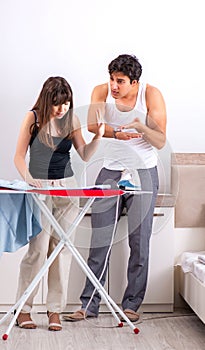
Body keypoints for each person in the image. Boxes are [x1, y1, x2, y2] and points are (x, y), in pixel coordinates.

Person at [63, 54, 167, 323]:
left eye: (120, 81)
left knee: (139, 241)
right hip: (110, 170)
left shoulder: (151, 95)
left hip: (143, 171)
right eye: (112, 79)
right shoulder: (101, 91)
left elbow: (160, 140)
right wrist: (118, 133)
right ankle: (88, 304)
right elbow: (91, 127)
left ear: (135, 82)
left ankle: (131, 304)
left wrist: (142, 127)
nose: (114, 85)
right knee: (100, 241)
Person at [14, 76, 104, 331]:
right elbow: (18, 157)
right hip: (39, 188)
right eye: (57, 104)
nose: (62, 108)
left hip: (66, 189)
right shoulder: (32, 118)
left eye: (66, 103)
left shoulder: (71, 120)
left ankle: (55, 310)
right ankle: (24, 309)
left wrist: (97, 137)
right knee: (38, 250)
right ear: (47, 100)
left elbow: (84, 154)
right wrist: (30, 180)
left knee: (62, 250)